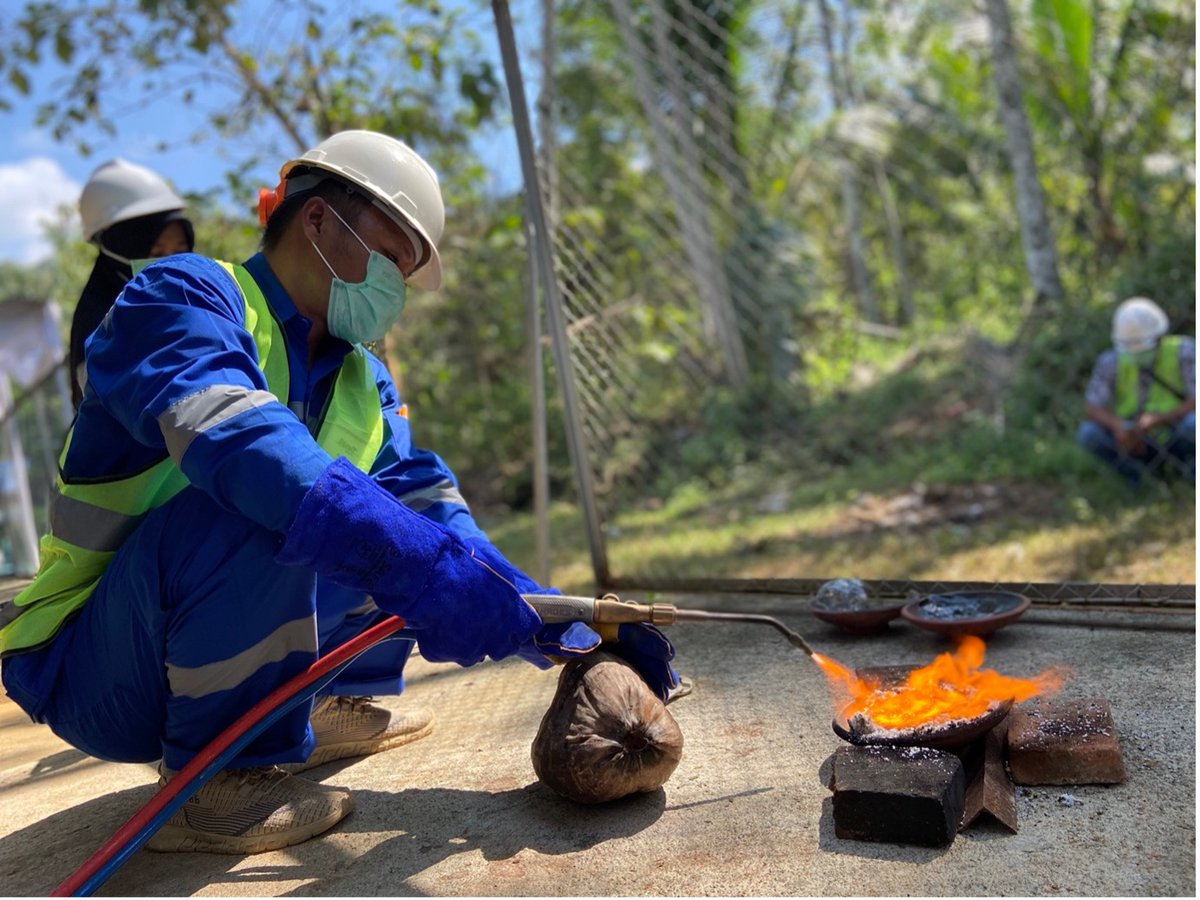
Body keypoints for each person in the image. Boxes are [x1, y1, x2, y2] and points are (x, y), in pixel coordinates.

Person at [0, 130, 676, 854]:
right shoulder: (181, 296)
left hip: (172, 631)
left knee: (397, 530)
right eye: (390, 257)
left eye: (405, 275)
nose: (395, 290)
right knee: (293, 508)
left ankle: (312, 706)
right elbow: (241, 447)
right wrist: (422, 563)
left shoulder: (362, 376)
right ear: (318, 220)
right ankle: (215, 781)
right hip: (99, 664)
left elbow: (426, 502)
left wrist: (547, 615)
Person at [71, 158, 196, 407]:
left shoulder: (193, 298)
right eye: (156, 253)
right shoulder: (97, 326)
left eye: (180, 251)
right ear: (120, 247)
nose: (171, 264)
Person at [1077, 296, 1195, 485]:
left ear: (1160, 337)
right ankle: (1139, 480)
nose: (1137, 353)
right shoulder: (1111, 361)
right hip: (1133, 437)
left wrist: (1161, 418)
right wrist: (1119, 426)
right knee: (1089, 433)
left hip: (1174, 429)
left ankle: (1188, 474)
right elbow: (1092, 406)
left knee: (1193, 424)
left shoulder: (1184, 350)